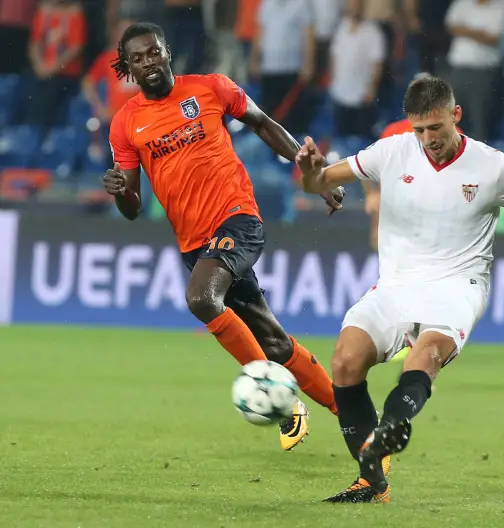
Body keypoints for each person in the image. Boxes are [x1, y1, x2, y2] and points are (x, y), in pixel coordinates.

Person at [295, 76, 504, 503]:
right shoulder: (391, 152)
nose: (427, 139)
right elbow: (319, 182)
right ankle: (371, 482)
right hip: (397, 282)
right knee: (344, 361)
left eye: (436, 127)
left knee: (426, 354)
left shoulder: (493, 167)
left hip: (459, 284)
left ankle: (394, 424)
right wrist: (309, 174)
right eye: (418, 129)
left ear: (456, 115)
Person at [102, 22, 348, 453]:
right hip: (195, 243)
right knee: (273, 340)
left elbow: (262, 123)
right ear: (129, 68)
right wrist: (122, 191)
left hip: (238, 219)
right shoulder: (125, 124)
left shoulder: (212, 88)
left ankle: (272, 388)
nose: (148, 62)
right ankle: (350, 411)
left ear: (167, 51)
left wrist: (317, 172)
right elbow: (133, 207)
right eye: (138, 59)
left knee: (201, 298)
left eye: (153, 52)